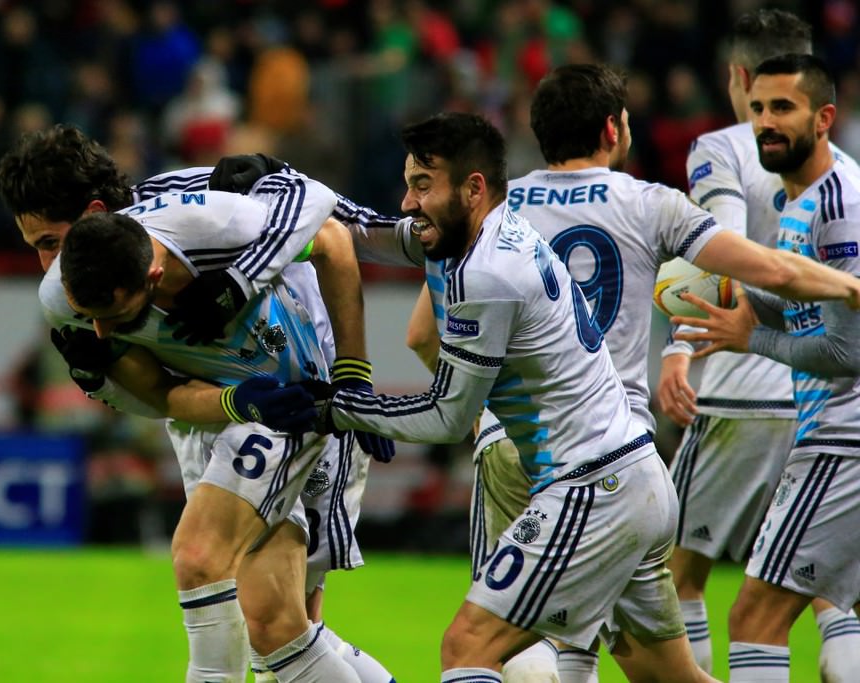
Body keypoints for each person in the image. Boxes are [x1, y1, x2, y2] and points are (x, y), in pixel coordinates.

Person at [329, 63, 860, 683]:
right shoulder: (650, 203)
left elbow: (423, 333)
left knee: (495, 648)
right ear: (613, 128)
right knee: (661, 673)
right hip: (630, 449)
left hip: (547, 454)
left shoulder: (492, 211)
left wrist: (477, 405)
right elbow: (771, 270)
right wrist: (849, 286)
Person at [298, 110, 719, 683]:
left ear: (473, 188)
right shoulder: (479, 232)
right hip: (633, 476)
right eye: (408, 184)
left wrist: (335, 408)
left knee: (468, 645)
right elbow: (368, 235)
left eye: (422, 185)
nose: (407, 202)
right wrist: (282, 196)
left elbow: (447, 417)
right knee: (671, 679)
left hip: (590, 486)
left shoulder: (489, 274)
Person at [0, 126, 394, 682]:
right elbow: (158, 396)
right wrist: (101, 380)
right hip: (222, 411)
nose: (47, 265)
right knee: (279, 633)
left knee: (224, 580)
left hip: (303, 394)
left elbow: (331, 224)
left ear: (92, 215)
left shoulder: (196, 210)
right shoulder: (73, 296)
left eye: (49, 242)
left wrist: (350, 372)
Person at [655, 10, 860, 679]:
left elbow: (847, 352)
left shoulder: (836, 203)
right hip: (810, 419)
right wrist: (740, 312)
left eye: (783, 108)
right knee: (833, 598)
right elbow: (790, 297)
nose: (766, 121)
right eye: (762, 108)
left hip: (823, 427)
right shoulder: (803, 196)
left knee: (722, 598)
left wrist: (733, 337)